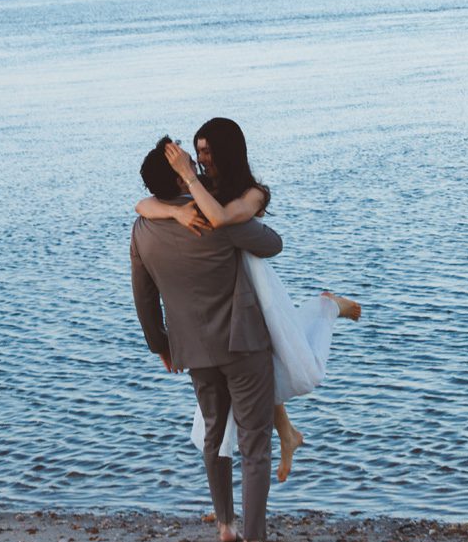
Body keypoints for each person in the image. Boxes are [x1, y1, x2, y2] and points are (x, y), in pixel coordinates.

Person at [136, 117, 360, 481]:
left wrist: (188, 183)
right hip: (228, 294)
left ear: (227, 151)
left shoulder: (253, 193)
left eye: (206, 152)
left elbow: (222, 219)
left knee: (291, 360)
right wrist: (177, 209)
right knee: (260, 374)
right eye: (197, 152)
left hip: (256, 291)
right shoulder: (200, 188)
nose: (199, 159)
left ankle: (327, 307)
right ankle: (284, 436)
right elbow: (142, 205)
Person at [130, 136, 284, 542]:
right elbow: (272, 245)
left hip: (192, 348)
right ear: (181, 172)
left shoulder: (143, 227)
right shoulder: (214, 218)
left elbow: (143, 296)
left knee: (214, 433)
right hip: (242, 342)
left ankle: (225, 525)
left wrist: (160, 346)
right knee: (254, 438)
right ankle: (253, 538)